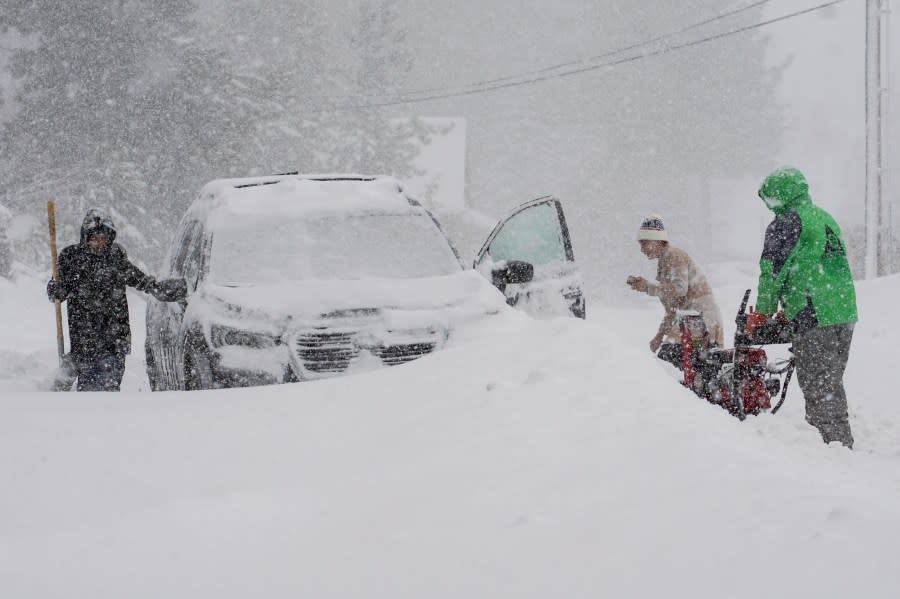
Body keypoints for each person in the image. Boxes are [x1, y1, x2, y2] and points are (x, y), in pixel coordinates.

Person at [747, 167, 857, 448]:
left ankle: (832, 450)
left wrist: (762, 313)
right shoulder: (824, 217)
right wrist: (792, 305)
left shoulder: (786, 222)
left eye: (770, 198)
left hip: (814, 310)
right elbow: (816, 265)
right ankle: (836, 442)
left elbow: (772, 272)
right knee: (830, 382)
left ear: (781, 194)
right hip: (842, 310)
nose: (770, 205)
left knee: (820, 387)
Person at [47, 208, 187, 391]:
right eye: (94, 239)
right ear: (85, 237)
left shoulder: (115, 256)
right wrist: (57, 289)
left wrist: (156, 287)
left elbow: (136, 277)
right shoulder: (72, 258)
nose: (99, 244)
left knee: (109, 388)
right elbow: (55, 289)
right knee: (89, 392)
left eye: (103, 239)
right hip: (84, 337)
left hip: (115, 337)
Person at [627, 214, 724, 356]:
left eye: (644, 243)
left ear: (657, 241)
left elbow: (680, 290)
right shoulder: (664, 262)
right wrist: (660, 335)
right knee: (686, 368)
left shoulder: (674, 256)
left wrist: (648, 287)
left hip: (701, 319)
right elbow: (673, 307)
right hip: (691, 321)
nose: (642, 249)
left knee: (671, 357)